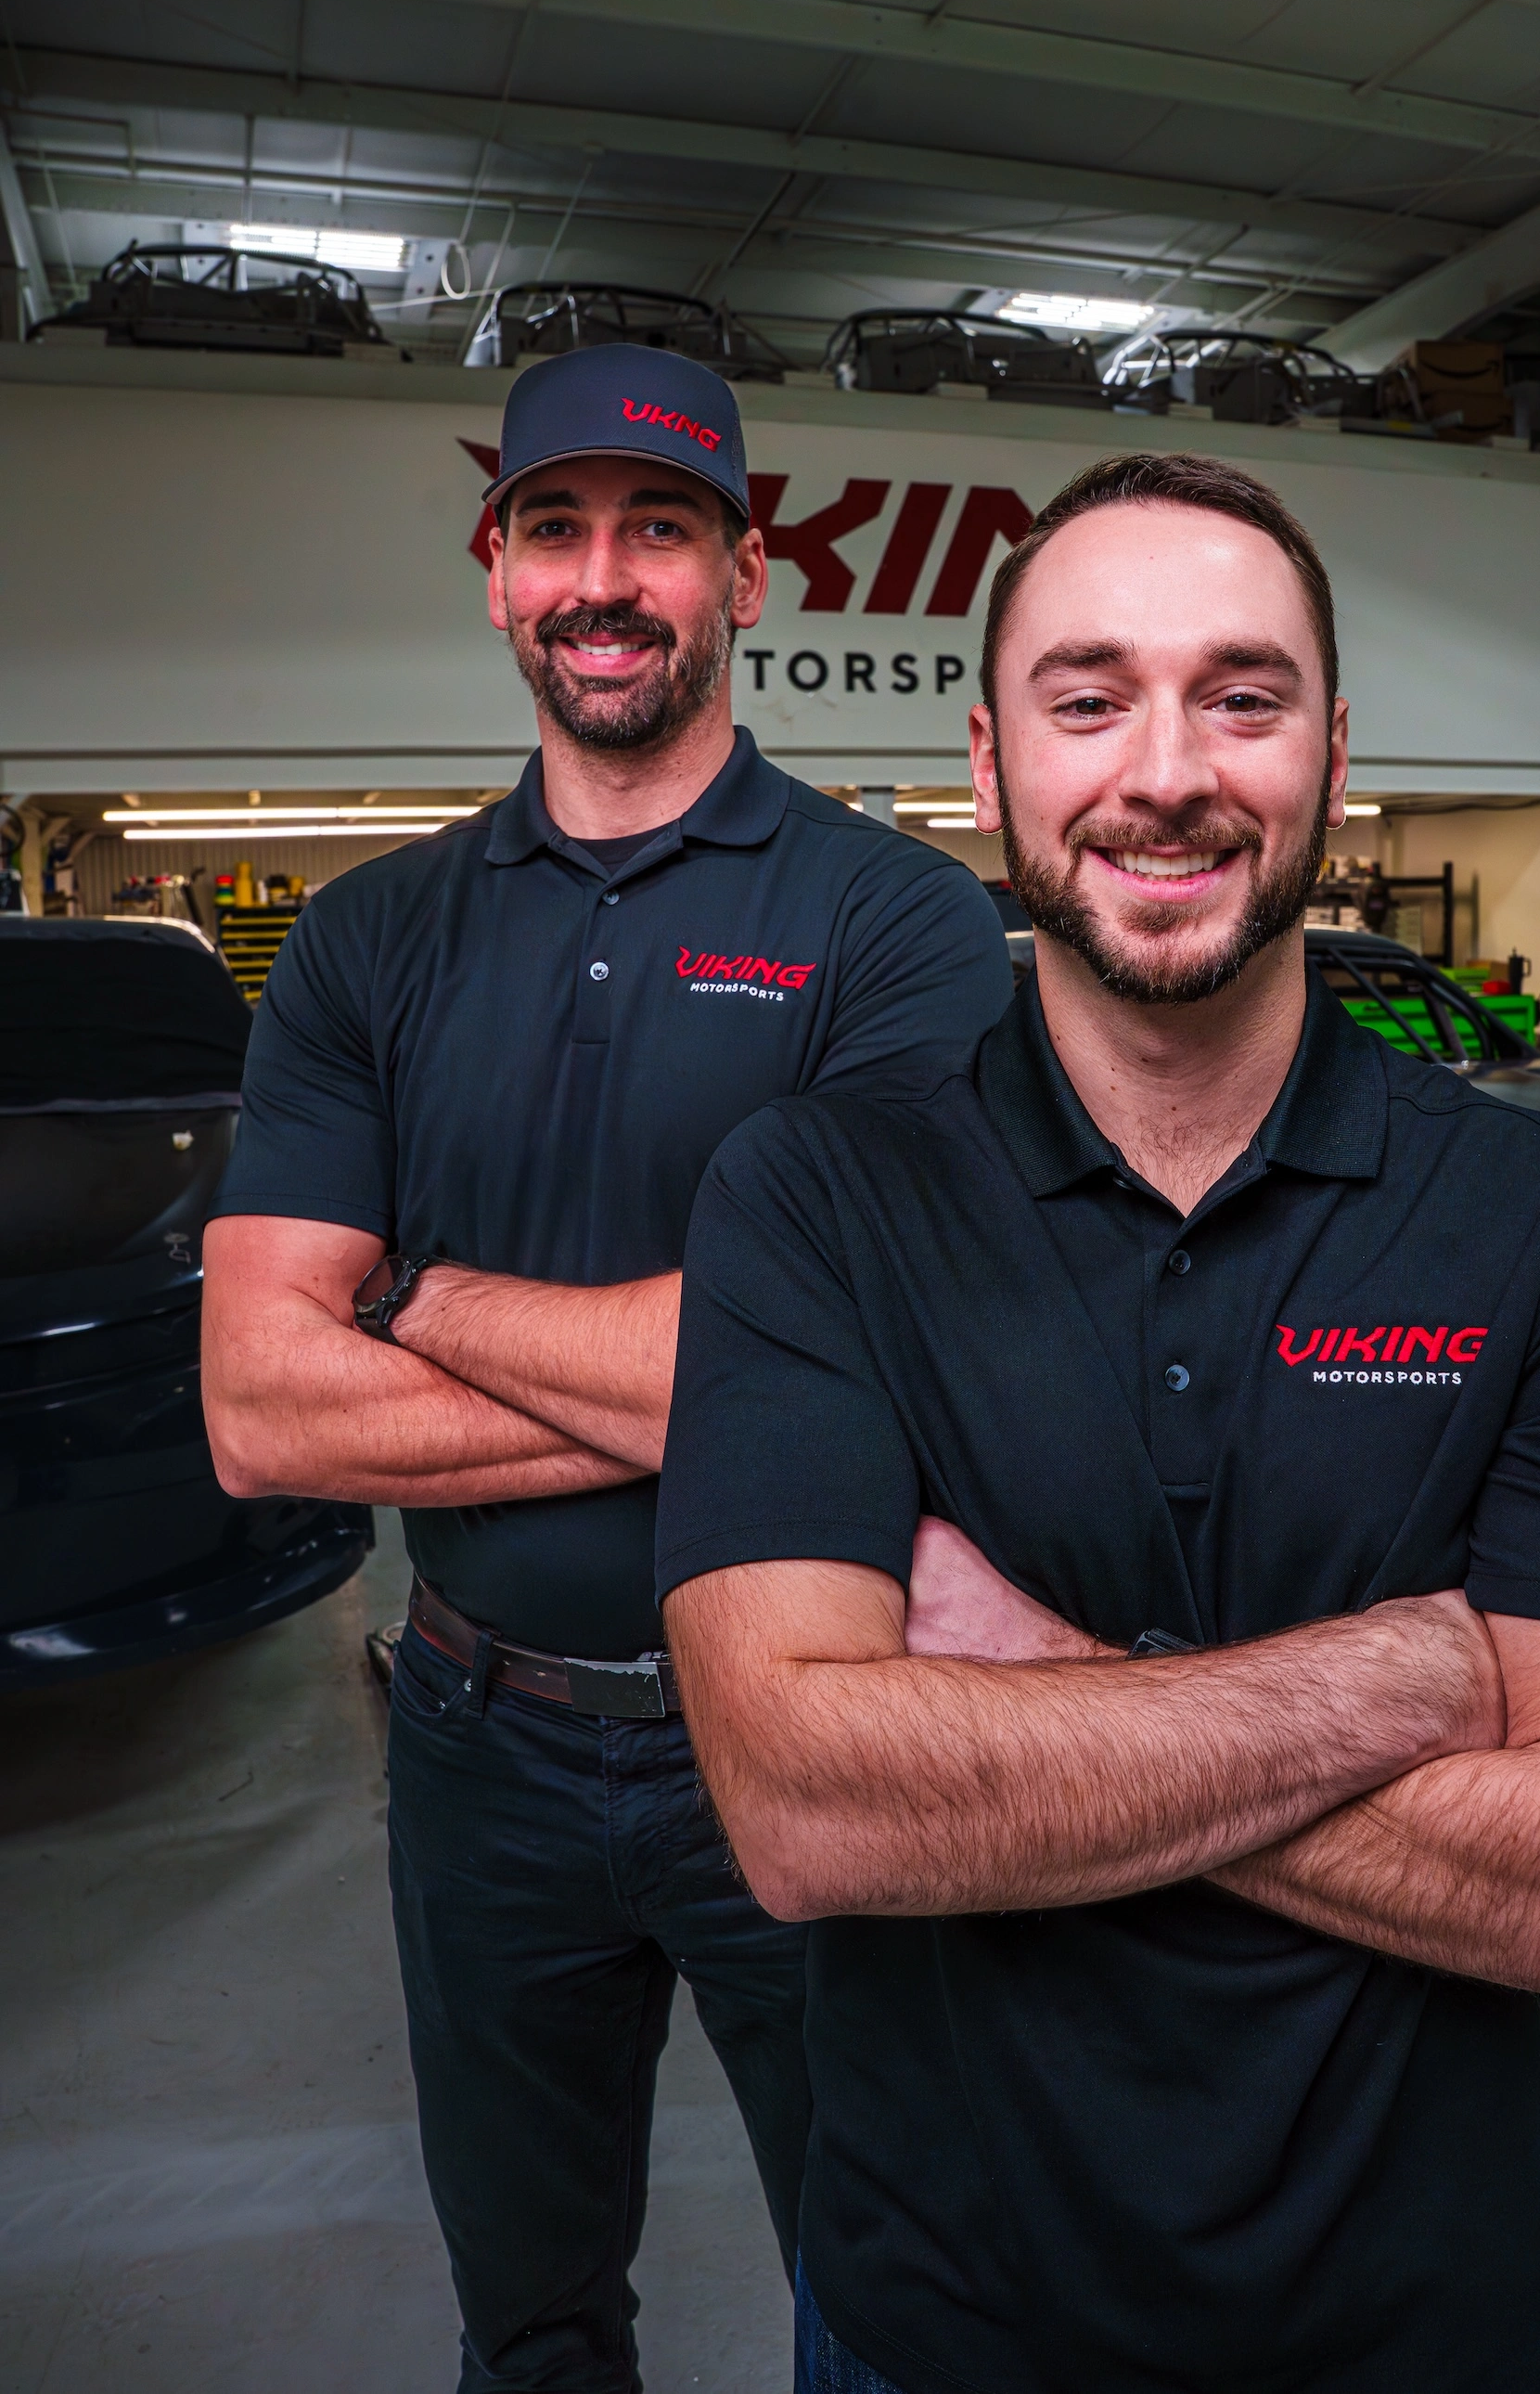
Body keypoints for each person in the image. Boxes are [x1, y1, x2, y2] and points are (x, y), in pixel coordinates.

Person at [653, 450, 1540, 2394]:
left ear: (1331, 752)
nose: (1165, 773)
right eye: (1088, 699)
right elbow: (809, 1812)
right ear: (988, 764)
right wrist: (1400, 1677)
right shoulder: (817, 1197)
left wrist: (1031, 1681)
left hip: (1428, 2330)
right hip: (942, 2328)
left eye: (1241, 697)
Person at [199, 343, 1013, 2393]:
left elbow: (885, 1366)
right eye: (555, 527)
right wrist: (726, 1374)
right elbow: (259, 1406)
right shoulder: (369, 941)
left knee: (905, 2302)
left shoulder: (896, 924)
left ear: (747, 577)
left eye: (661, 528)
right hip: (476, 1746)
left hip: (812, 1722)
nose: (604, 578)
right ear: (497, 573)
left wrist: (417, 1294)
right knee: (530, 2317)